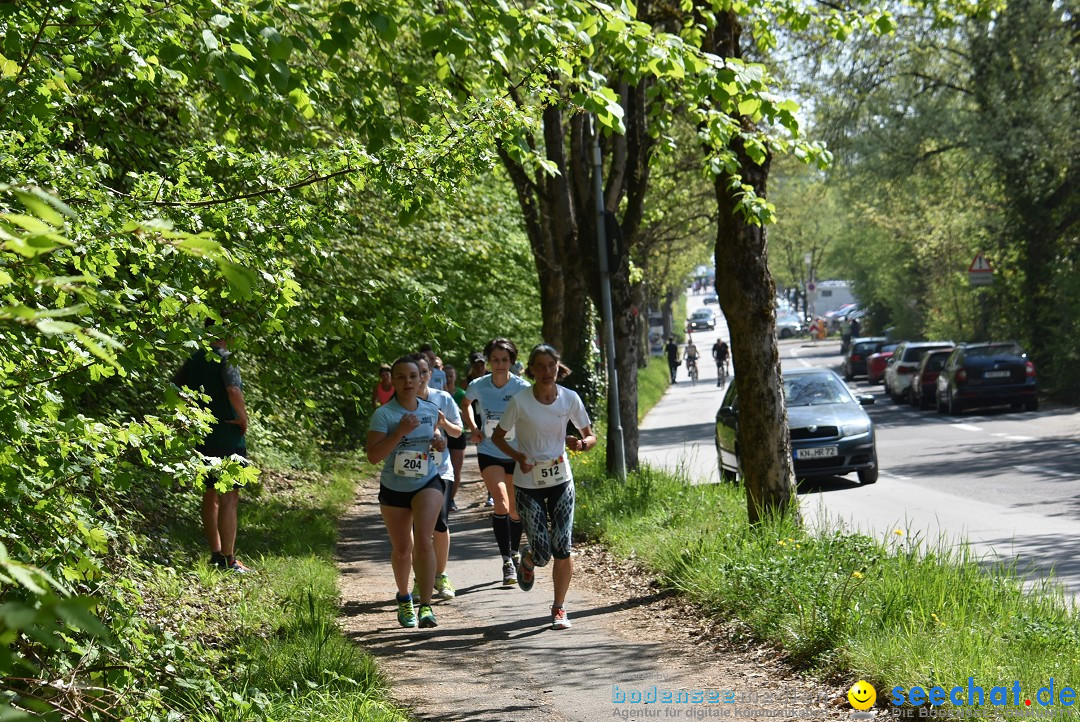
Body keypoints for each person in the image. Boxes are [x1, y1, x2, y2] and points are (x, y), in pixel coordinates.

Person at [493, 344, 595, 631]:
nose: (547, 371)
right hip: (528, 483)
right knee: (542, 554)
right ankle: (528, 558)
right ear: (532, 370)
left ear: (557, 367)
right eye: (541, 366)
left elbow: (590, 436)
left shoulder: (569, 399)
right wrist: (517, 457)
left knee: (562, 546)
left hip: (561, 478)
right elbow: (498, 436)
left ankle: (559, 607)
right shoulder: (521, 401)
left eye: (552, 365)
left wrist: (582, 443)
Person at [366, 356, 447, 629]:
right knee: (402, 549)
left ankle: (426, 605)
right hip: (394, 487)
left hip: (427, 481)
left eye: (413, 376)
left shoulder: (430, 409)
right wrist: (400, 431)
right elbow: (374, 456)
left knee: (424, 539)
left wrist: (439, 442)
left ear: (421, 378)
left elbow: (436, 439)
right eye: (401, 377)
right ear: (393, 381)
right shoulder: (384, 415)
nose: (408, 382)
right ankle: (404, 598)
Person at [171, 319, 253, 574]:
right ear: (229, 333)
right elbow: (233, 390)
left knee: (210, 492)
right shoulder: (226, 358)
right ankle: (229, 560)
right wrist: (243, 418)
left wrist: (188, 417)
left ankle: (216, 555)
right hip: (228, 433)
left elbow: (174, 388)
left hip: (203, 435)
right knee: (229, 495)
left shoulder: (195, 359)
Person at [462, 338, 531, 585]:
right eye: (495, 360)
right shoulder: (479, 385)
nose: (499, 365)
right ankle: (506, 561)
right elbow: (466, 403)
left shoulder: (523, 387)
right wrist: (473, 427)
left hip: (515, 454)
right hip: (489, 451)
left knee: (514, 509)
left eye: (504, 360)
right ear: (488, 361)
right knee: (500, 502)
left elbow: (532, 414)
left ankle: (514, 553)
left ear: (512, 362)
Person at [415, 356, 463, 600]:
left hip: (440, 470)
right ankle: (419, 578)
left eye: (424, 371)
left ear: (431, 373)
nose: (420, 377)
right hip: (412, 472)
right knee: (418, 528)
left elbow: (458, 431)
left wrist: (443, 423)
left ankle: (441, 574)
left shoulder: (443, 398)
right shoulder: (400, 402)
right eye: (416, 372)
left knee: (440, 523)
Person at [443, 364, 467, 512]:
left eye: (451, 376)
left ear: (455, 377)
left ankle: (450, 499)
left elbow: (466, 417)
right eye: (446, 376)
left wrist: (454, 406)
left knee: (456, 469)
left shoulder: (461, 394)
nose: (449, 379)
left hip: (458, 433)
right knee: (441, 467)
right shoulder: (436, 393)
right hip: (441, 433)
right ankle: (440, 498)